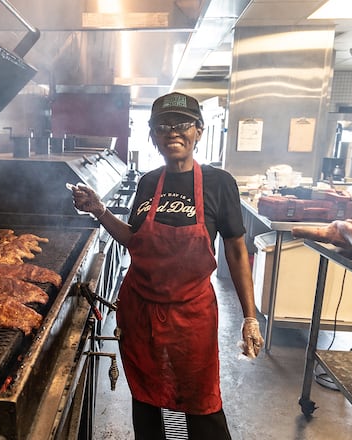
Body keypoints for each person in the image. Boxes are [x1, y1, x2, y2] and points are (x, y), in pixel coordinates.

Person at [70, 91, 263, 439]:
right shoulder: (148, 182)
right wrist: (99, 211)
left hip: (191, 316)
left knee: (201, 403)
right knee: (147, 401)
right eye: (162, 126)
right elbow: (134, 239)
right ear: (153, 136)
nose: (172, 132)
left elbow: (236, 251)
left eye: (182, 124)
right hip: (140, 313)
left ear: (199, 131)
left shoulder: (219, 183)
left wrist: (250, 317)